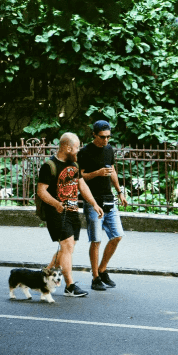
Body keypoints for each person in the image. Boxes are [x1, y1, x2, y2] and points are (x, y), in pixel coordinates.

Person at [37, 132, 104, 297]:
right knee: (67, 246)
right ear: (67, 148)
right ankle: (70, 286)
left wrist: (94, 203)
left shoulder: (74, 165)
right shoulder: (49, 166)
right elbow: (41, 191)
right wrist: (56, 204)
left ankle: (44, 275)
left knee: (68, 248)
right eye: (76, 148)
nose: (78, 151)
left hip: (73, 212)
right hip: (56, 212)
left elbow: (82, 185)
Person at [78, 120, 128, 291]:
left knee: (117, 236)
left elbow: (112, 171)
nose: (106, 140)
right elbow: (80, 177)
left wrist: (120, 192)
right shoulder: (84, 152)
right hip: (92, 201)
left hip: (109, 199)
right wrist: (97, 173)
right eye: (102, 137)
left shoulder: (109, 149)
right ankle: (95, 278)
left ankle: (102, 269)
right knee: (96, 240)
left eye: (108, 137)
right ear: (94, 134)